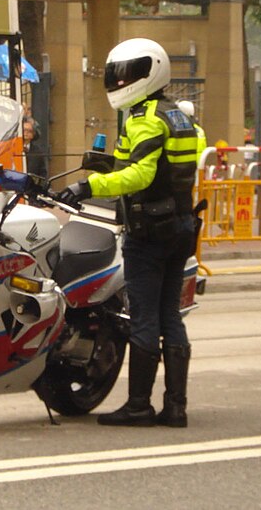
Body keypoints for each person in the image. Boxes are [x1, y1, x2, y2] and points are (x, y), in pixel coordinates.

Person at [59, 38, 201, 428]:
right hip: (182, 225)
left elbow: (141, 174)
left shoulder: (144, 119)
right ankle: (176, 407)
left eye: (128, 74)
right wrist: (112, 164)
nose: (120, 83)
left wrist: (88, 186)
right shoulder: (180, 116)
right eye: (116, 75)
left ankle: (139, 405)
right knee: (171, 316)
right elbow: (171, 163)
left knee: (144, 318)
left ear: (150, 72)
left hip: (149, 231)